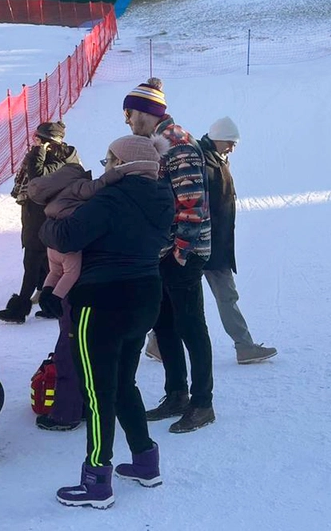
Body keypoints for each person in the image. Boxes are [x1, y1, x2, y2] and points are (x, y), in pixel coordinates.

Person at [40, 135, 175, 508]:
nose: (105, 167)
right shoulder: (163, 195)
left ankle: (96, 479)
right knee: (122, 383)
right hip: (145, 297)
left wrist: (43, 225)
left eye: (108, 160)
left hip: (100, 304)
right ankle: (146, 461)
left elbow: (66, 236)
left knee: (98, 394)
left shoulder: (111, 198)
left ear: (123, 162)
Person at [122, 79, 216, 434]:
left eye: (130, 114)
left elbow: (192, 202)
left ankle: (202, 402)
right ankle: (176, 392)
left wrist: (180, 251)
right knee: (164, 325)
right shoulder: (156, 142)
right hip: (163, 252)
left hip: (183, 254)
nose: (128, 121)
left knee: (191, 326)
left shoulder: (178, 144)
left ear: (145, 112)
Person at [26, 149, 142, 432]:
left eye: (113, 162)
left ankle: (66, 412)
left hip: (84, 293)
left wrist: (55, 293)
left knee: (71, 349)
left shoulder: (66, 209)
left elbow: (69, 268)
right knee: (92, 353)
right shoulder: (89, 199)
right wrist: (50, 291)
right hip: (97, 287)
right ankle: (91, 406)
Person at [198, 118, 277, 365]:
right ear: (217, 137)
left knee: (182, 296)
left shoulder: (215, 160)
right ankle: (244, 346)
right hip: (206, 244)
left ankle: (155, 344)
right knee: (225, 296)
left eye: (234, 144)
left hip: (212, 243)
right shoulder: (204, 162)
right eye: (230, 143)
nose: (232, 148)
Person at [0, 121, 81, 324]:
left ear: (49, 143)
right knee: (45, 266)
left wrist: (38, 153)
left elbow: (37, 179)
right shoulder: (46, 157)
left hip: (45, 221)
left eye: (40, 140)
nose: (35, 144)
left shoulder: (60, 161)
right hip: (35, 219)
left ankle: (19, 309)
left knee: (33, 264)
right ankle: (50, 306)